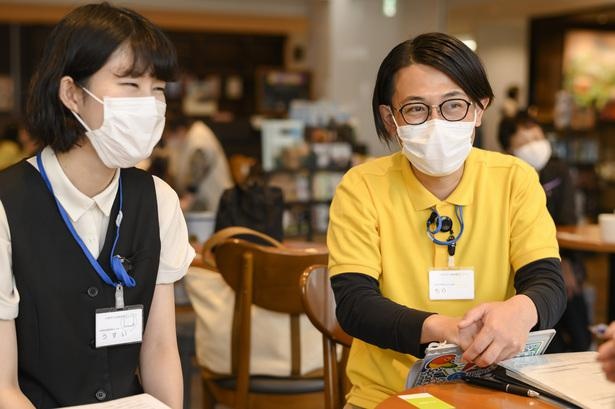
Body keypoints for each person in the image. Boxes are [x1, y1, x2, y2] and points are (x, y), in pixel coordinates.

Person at [327, 32, 566, 408]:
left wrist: (521, 310)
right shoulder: (362, 187)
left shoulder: (514, 179)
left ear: (479, 108)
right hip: (388, 395)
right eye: (416, 109)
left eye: (453, 105)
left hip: (498, 391)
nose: (436, 122)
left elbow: (548, 282)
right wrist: (445, 329)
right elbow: (355, 305)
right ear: (390, 119)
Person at [0, 3, 194, 408]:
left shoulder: (159, 200)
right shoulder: (7, 205)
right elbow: (3, 387)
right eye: (130, 85)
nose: (150, 104)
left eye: (157, 89)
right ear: (72, 93)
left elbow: (159, 348)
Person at [498, 110, 591, 353]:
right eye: (525, 141)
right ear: (509, 148)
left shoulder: (559, 170)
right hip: (521, 263)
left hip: (564, 255)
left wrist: (566, 264)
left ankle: (583, 349)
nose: (534, 145)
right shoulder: (505, 177)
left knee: (570, 299)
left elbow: (567, 220)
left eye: (537, 138)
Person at [162, 107, 233, 212]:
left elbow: (198, 172)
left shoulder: (199, 137)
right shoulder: (181, 142)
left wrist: (185, 201)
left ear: (180, 130)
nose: (167, 139)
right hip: (199, 206)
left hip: (215, 205)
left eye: (167, 134)